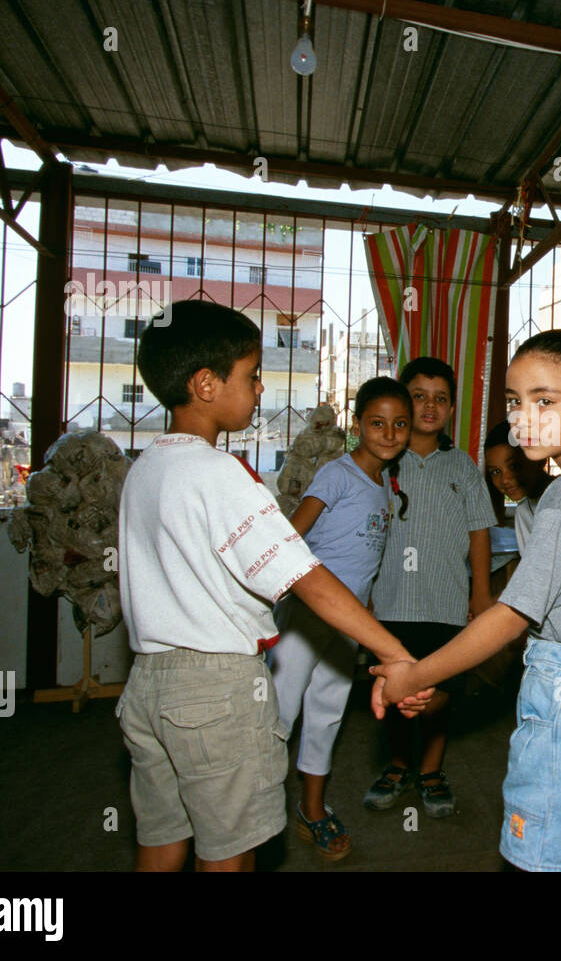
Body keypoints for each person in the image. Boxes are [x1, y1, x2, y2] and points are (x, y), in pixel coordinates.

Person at [116, 301, 428, 872]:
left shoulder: (146, 468)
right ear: (206, 384)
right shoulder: (220, 474)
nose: (260, 388)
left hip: (149, 681)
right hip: (216, 691)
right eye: (252, 374)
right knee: (230, 849)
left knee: (163, 838)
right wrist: (397, 653)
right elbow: (304, 576)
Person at [372, 328, 561, 871]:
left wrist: (415, 675)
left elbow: (509, 616)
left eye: (545, 401)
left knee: (546, 856)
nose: (524, 416)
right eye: (513, 401)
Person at [268, 377, 413, 861]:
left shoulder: (384, 486)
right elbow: (294, 536)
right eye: (377, 423)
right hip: (308, 616)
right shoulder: (338, 473)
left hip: (347, 624)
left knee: (327, 714)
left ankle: (312, 809)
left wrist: (365, 611)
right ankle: (252, 810)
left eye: (399, 425)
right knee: (279, 713)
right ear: (357, 427)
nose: (389, 433)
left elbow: (362, 562)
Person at [363, 357, 498, 818]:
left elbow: (481, 530)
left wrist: (480, 595)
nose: (429, 406)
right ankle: (398, 765)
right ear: (402, 399)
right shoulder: (381, 462)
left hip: (444, 603)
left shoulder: (461, 466)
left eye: (441, 398)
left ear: (452, 407)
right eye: (418, 396)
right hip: (391, 602)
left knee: (440, 694)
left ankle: (431, 769)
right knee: (398, 692)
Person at [483, 418, 554, 551]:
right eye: (496, 471)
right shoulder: (523, 513)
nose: (505, 479)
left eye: (514, 466)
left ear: (540, 458)